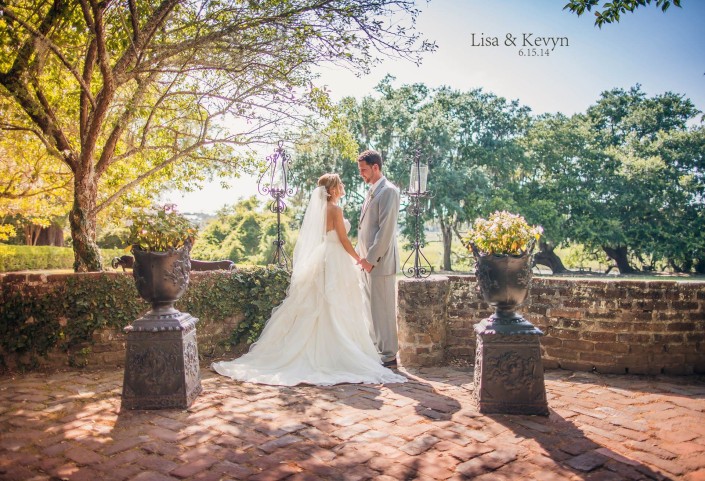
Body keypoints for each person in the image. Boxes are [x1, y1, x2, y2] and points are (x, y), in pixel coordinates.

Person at [212, 173, 406, 386]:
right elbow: (342, 239)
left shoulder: (321, 211)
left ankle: (317, 349)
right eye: (339, 184)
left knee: (320, 303)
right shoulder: (335, 210)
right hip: (335, 259)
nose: (342, 186)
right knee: (334, 304)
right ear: (332, 190)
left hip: (322, 257)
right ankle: (335, 352)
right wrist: (360, 258)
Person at [356, 150, 401, 369]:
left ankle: (389, 356)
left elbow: (385, 232)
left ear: (376, 167)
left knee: (383, 311)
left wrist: (371, 259)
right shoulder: (371, 192)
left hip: (380, 263)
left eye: (364, 170)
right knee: (371, 311)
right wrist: (361, 258)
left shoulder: (389, 192)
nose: (361, 175)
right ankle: (377, 354)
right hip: (366, 263)